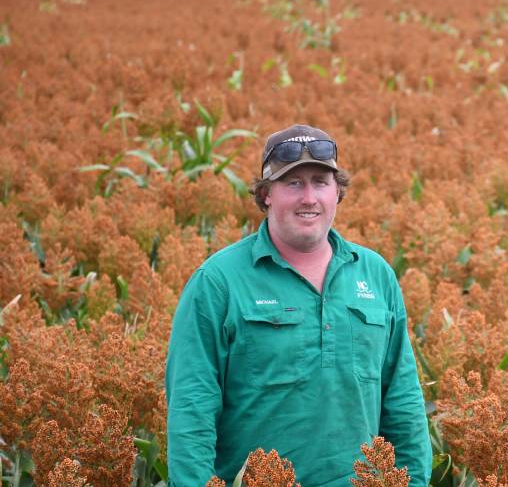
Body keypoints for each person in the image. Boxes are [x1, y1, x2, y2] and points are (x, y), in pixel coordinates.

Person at [166, 124, 431, 486]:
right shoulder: (218, 282)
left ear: (337, 192)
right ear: (266, 195)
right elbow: (191, 412)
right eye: (293, 183)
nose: (309, 197)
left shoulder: (376, 275)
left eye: (320, 182)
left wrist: (414, 481)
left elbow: (403, 402)